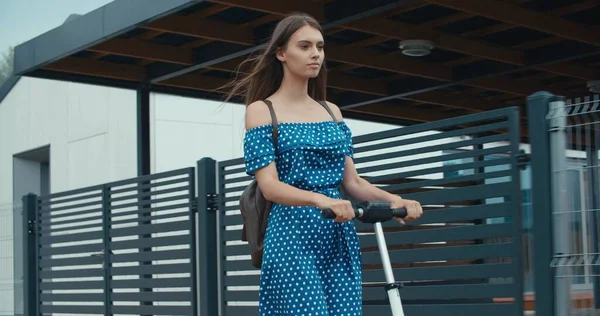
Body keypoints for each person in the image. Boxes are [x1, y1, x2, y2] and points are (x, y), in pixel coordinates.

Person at [223, 12, 423, 316]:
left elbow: (353, 182)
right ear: (281, 53)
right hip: (291, 235)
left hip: (337, 235)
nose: (315, 53)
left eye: (320, 46)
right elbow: (270, 186)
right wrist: (320, 199)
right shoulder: (262, 111)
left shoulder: (332, 112)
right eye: (304, 46)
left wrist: (395, 199)